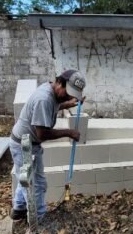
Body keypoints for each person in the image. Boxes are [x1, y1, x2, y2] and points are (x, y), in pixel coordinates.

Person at [10, 69, 86, 220]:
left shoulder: (52, 92)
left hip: (25, 142)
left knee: (24, 178)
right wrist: (69, 132)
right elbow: (43, 134)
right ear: (59, 82)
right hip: (25, 147)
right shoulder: (43, 99)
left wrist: (69, 104)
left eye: (72, 95)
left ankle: (18, 209)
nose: (69, 96)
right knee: (36, 184)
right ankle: (39, 219)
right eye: (68, 93)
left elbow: (55, 103)